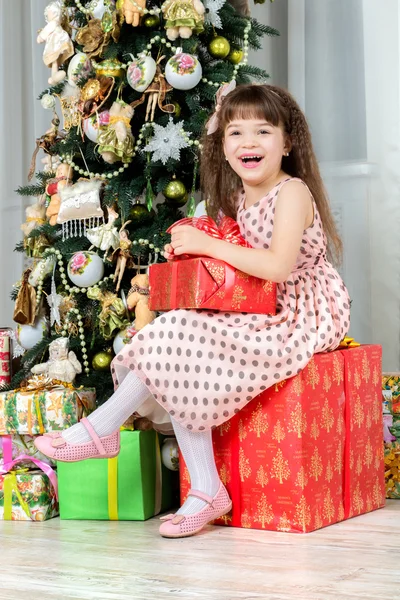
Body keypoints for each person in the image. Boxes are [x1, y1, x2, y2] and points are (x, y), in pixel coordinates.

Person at [35, 83, 350, 538]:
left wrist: (212, 245)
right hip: (262, 302)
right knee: (181, 339)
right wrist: (196, 247)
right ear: (222, 146)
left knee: (182, 335)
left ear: (288, 142)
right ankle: (203, 488)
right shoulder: (242, 197)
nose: (248, 143)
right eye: (235, 133)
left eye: (263, 132)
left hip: (302, 310)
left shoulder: (293, 191)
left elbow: (279, 267)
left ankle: (102, 431)